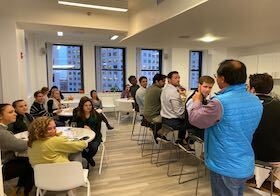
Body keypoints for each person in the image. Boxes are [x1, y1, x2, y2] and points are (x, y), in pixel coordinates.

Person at [188, 59, 263, 196]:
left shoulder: (219, 103)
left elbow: (195, 119)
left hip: (224, 163)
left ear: (222, 79)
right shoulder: (255, 100)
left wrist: (197, 101)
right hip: (244, 160)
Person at [247, 73, 280, 194]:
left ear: (252, 89)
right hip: (275, 157)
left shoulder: (246, 106)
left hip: (250, 156)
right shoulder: (277, 105)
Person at [0, 104, 34, 196]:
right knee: (30, 163)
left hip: (5, 163)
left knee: (27, 161)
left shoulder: (4, 129)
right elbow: (21, 146)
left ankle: (21, 189)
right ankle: (24, 191)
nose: (15, 114)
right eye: (11, 112)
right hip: (3, 167)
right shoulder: (2, 132)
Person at [72, 96, 103, 167]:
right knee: (76, 147)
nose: (88, 107)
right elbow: (74, 126)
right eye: (86, 105)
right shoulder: (77, 114)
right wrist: (83, 127)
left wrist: (91, 129)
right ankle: (88, 158)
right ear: (82, 106)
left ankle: (88, 158)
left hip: (95, 135)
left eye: (90, 105)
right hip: (80, 136)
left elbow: (98, 129)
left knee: (94, 147)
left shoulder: (96, 115)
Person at [160, 71, 186, 144]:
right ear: (169, 80)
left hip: (164, 119)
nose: (178, 80)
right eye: (175, 78)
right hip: (172, 121)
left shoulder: (164, 89)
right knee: (191, 123)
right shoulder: (174, 92)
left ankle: (180, 139)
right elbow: (179, 113)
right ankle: (186, 142)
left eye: (179, 78)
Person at [185, 75, 215, 140]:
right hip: (196, 129)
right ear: (199, 86)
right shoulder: (193, 100)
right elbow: (195, 120)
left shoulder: (204, 98)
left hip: (201, 127)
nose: (207, 89)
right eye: (205, 87)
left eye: (210, 87)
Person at [143, 73, 166, 141]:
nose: (164, 83)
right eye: (163, 81)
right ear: (156, 81)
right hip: (153, 116)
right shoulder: (159, 90)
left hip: (146, 115)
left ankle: (155, 129)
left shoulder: (149, 88)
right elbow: (165, 103)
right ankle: (159, 134)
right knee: (172, 120)